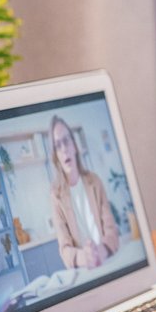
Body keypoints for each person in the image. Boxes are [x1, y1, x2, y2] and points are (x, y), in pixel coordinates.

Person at [48, 115, 119, 269]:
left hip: (107, 260)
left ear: (74, 145)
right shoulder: (56, 195)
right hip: (85, 271)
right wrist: (83, 257)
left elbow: (111, 231)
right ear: (56, 156)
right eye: (57, 145)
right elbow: (64, 250)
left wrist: (100, 252)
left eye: (66, 141)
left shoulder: (95, 181)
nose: (64, 149)